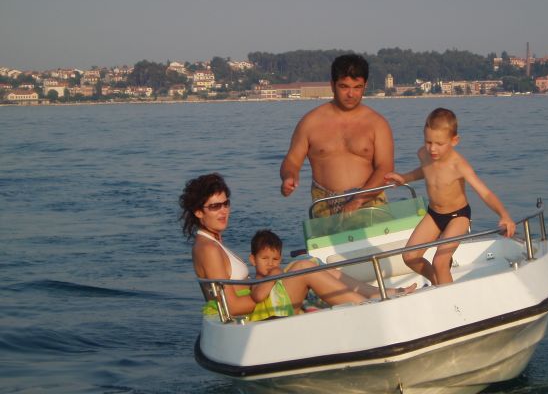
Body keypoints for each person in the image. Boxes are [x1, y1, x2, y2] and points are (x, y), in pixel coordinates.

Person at [179, 173, 413, 319]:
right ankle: (369, 307)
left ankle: (377, 293)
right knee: (302, 269)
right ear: (198, 212)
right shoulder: (208, 249)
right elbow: (231, 307)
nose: (223, 211)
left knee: (307, 262)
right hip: (251, 314)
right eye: (215, 207)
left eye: (225, 204)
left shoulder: (213, 241)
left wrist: (269, 281)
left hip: (258, 297)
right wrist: (268, 284)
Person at [384, 108, 516, 286]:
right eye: (428, 142)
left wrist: (504, 215)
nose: (432, 148)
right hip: (433, 214)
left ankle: (448, 295)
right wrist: (405, 178)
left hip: (458, 216)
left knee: (440, 262)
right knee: (409, 256)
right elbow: (426, 171)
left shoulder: (459, 166)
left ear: (454, 141)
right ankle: (437, 282)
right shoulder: (423, 154)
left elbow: (485, 193)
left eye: (439, 143)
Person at [280, 54, 394, 217]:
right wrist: (289, 176)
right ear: (332, 85)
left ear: (365, 85)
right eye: (344, 86)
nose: (351, 94)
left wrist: (359, 199)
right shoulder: (310, 123)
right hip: (325, 205)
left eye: (357, 87)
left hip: (370, 201)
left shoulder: (377, 124)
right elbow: (292, 160)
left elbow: (385, 168)